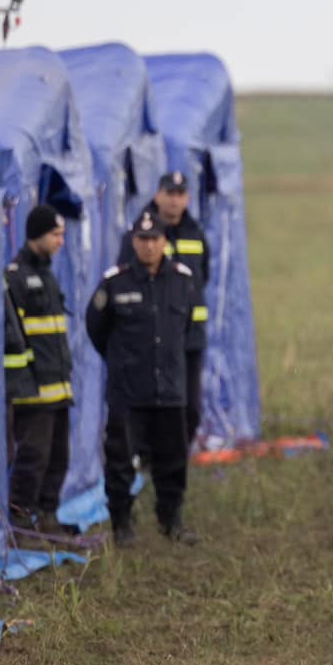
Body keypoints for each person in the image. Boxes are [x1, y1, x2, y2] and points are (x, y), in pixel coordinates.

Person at [87, 211, 204, 545]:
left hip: (170, 389)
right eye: (142, 239)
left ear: (165, 242)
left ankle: (172, 521)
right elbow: (96, 327)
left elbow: (188, 328)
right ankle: (122, 524)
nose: (149, 246)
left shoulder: (182, 280)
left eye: (155, 240)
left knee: (173, 458)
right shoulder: (115, 282)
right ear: (133, 241)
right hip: (128, 390)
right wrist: (121, 362)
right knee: (121, 458)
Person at [5, 205, 74, 530]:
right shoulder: (16, 277)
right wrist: (23, 385)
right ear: (37, 235)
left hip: (58, 388)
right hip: (34, 392)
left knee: (59, 457)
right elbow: (12, 338)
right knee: (33, 459)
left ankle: (48, 517)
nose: (62, 241)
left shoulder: (47, 274)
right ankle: (21, 524)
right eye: (55, 234)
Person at [134, 171, 210, 443]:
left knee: (191, 407)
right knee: (154, 405)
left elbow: (204, 276)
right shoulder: (143, 233)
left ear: (187, 198)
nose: (174, 201)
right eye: (169, 194)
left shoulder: (196, 233)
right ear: (158, 196)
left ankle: (177, 458)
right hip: (155, 338)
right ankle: (149, 458)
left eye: (180, 195)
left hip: (190, 338)